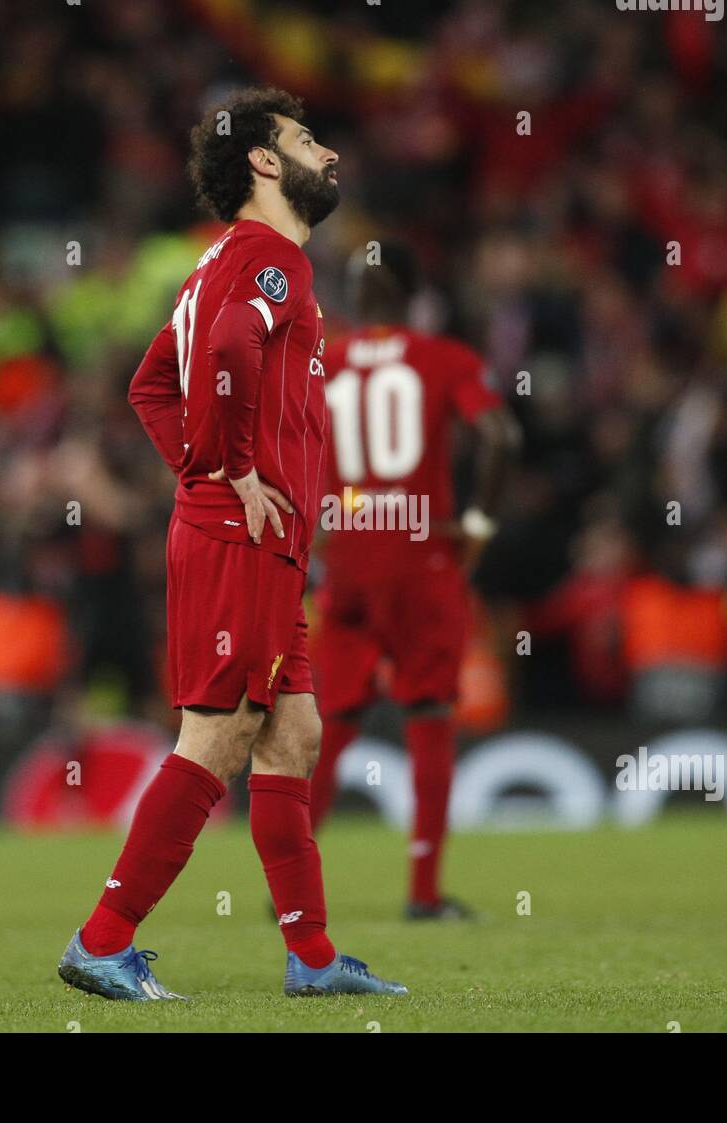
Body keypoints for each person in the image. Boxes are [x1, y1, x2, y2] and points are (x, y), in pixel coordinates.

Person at [57, 87, 406, 1000]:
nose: (326, 153)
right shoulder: (267, 260)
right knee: (218, 735)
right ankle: (101, 939)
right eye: (305, 138)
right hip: (240, 536)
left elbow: (148, 387)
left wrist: (205, 473)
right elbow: (224, 354)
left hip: (254, 536)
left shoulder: (220, 263)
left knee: (293, 733)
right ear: (262, 161)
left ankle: (315, 958)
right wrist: (230, 470)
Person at [309, 242, 520, 918]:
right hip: (421, 558)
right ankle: (424, 894)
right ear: (411, 293)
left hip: (345, 557)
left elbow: (282, 445)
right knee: (427, 715)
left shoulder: (324, 362)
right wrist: (480, 524)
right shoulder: (444, 359)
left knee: (331, 722)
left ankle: (293, 888)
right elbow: (500, 437)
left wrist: (315, 529)